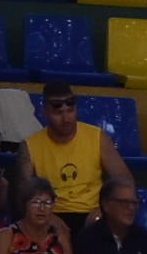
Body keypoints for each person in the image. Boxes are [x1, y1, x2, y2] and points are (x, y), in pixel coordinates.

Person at [24, 83, 128, 227]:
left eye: (70, 111)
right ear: (45, 112)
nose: (66, 119)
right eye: (58, 113)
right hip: (50, 215)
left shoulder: (97, 137)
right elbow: (22, 196)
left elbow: (125, 181)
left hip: (92, 214)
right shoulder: (30, 145)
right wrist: (47, 216)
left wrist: (104, 210)